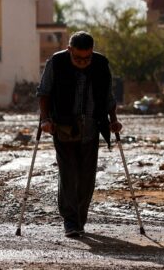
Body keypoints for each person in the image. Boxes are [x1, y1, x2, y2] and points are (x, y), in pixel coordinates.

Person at [36, 31, 122, 238]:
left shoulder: (101, 63)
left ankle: (80, 219)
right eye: (78, 58)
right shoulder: (56, 62)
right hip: (63, 127)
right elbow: (44, 93)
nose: (83, 62)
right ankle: (70, 220)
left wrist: (114, 120)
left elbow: (108, 96)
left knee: (86, 177)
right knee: (68, 174)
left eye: (87, 58)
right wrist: (45, 119)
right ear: (69, 50)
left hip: (92, 128)